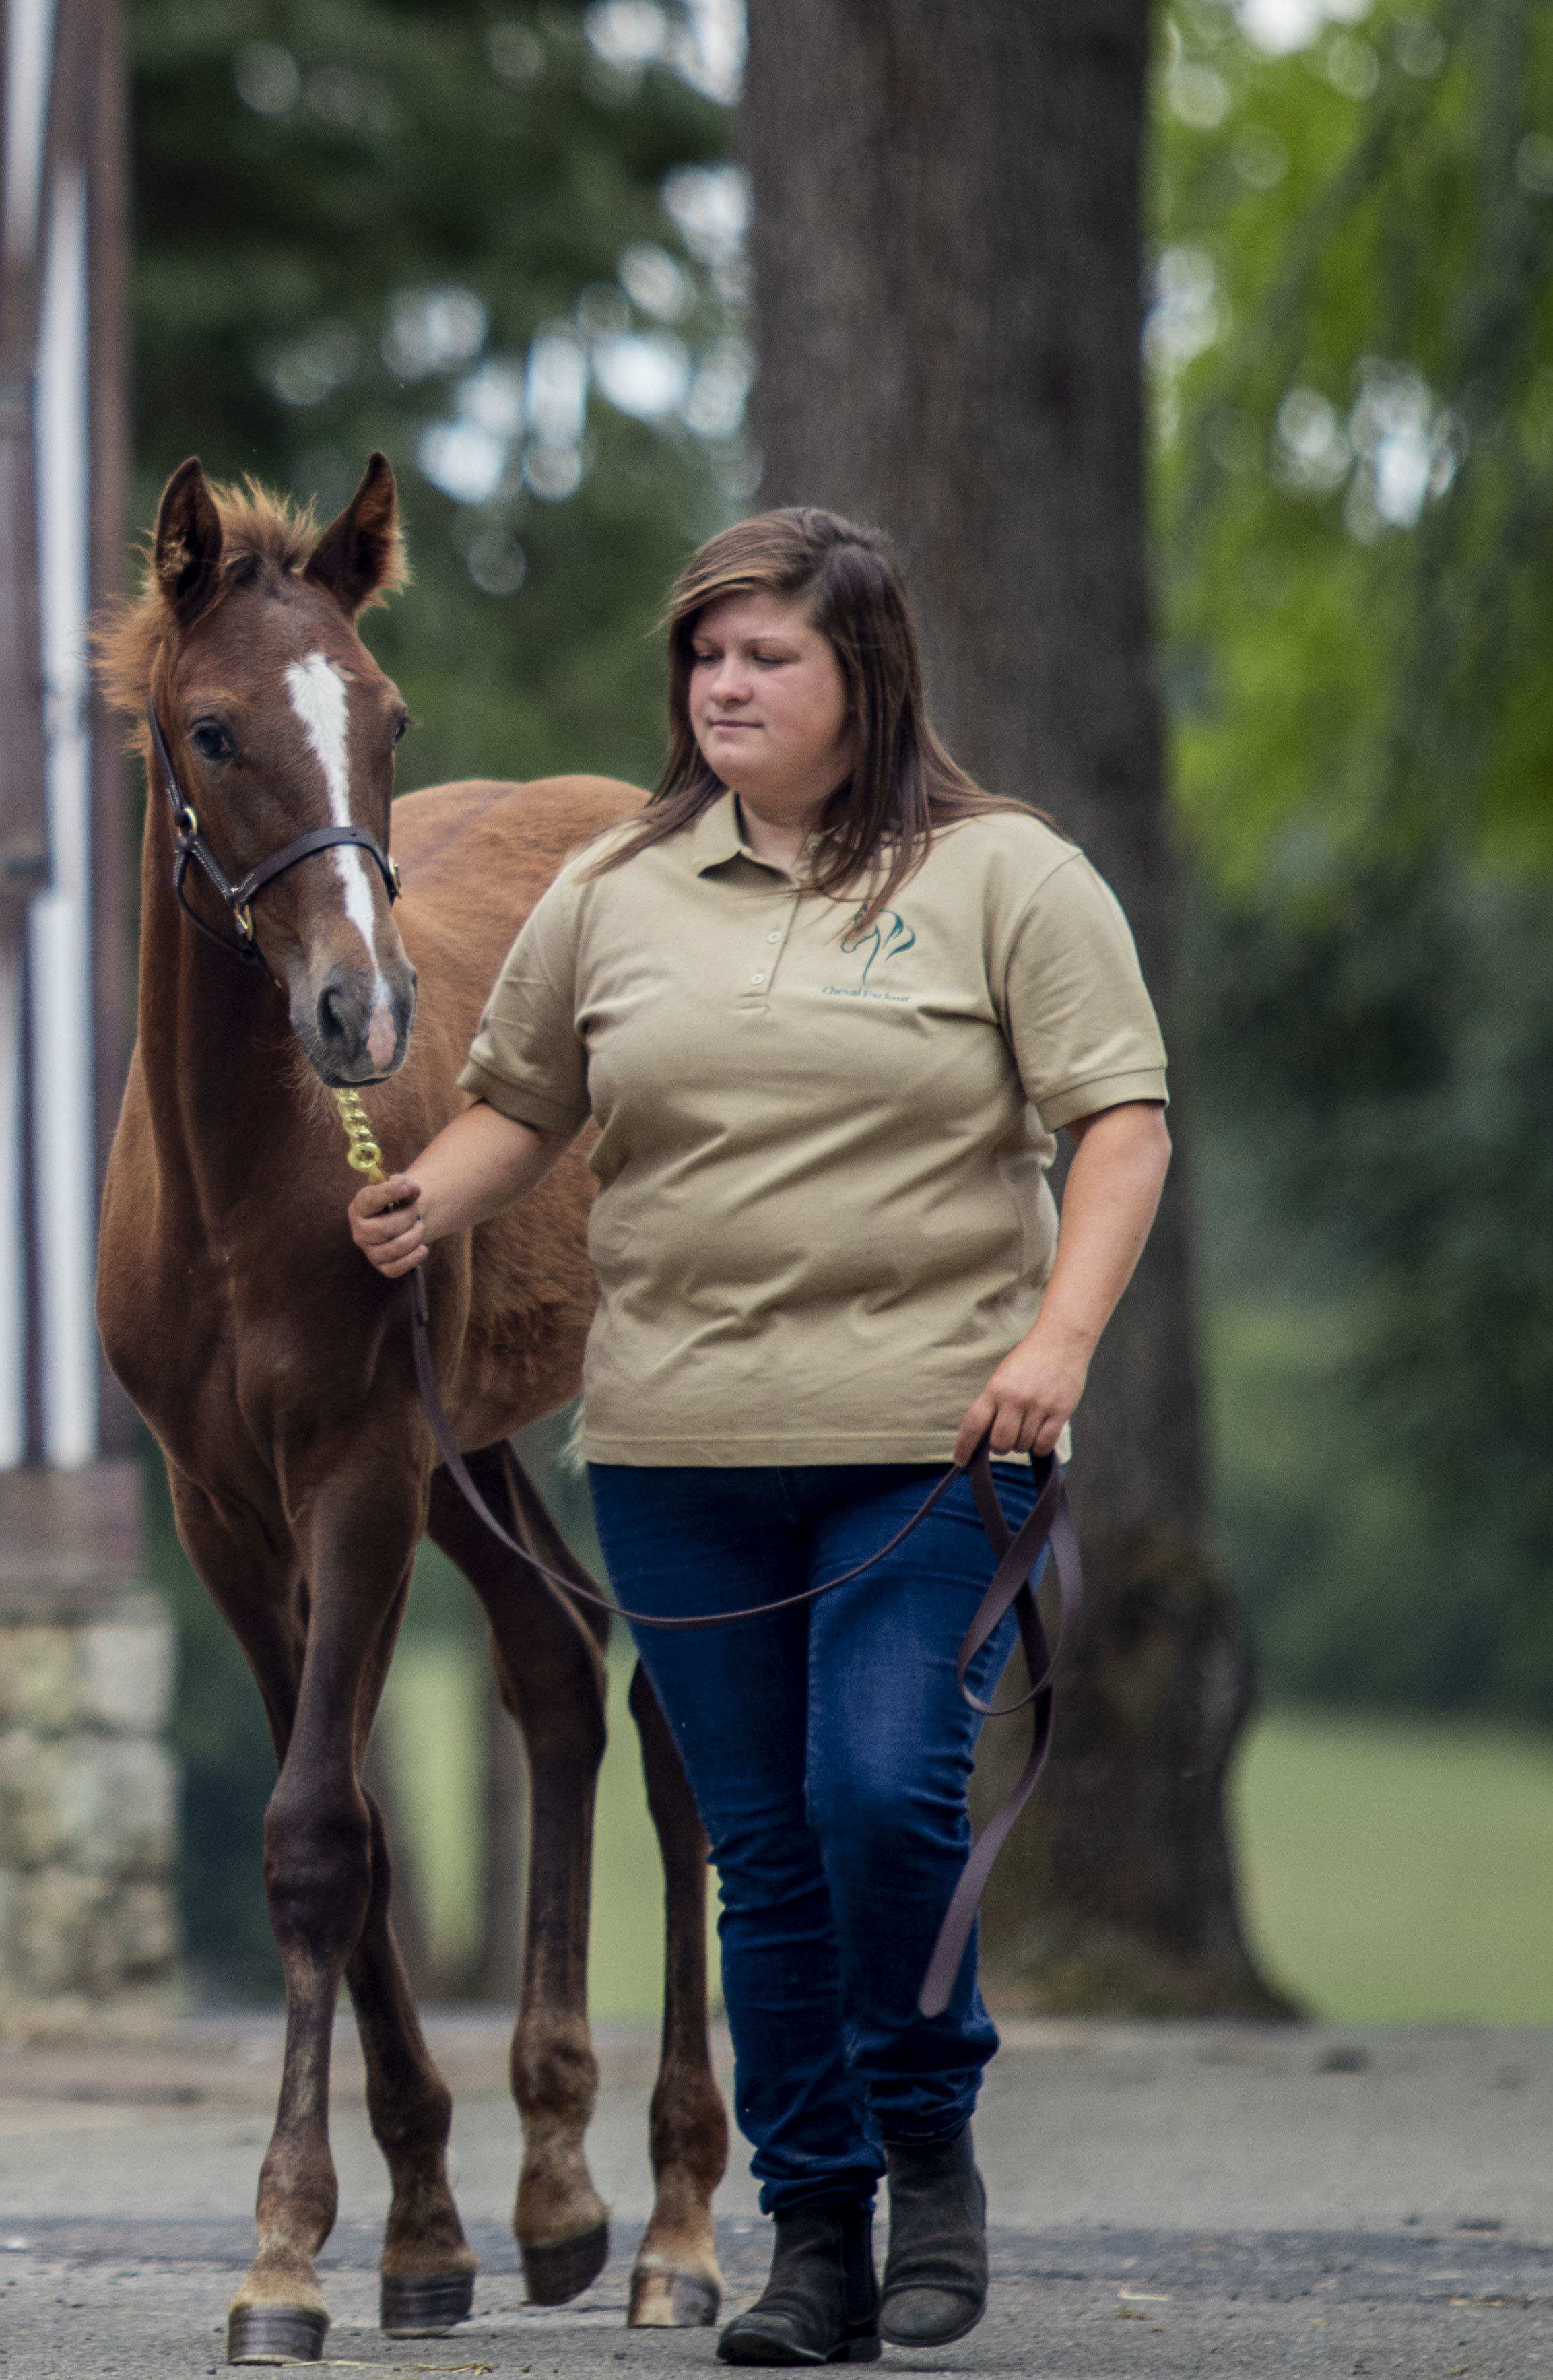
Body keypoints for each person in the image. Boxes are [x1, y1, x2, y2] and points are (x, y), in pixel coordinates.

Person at [350, 508, 1171, 2366]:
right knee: (766, 1857)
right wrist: (419, 1202)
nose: (721, 686)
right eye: (703, 657)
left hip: (936, 1445)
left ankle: (928, 2152)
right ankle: (813, 2237)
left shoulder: (1008, 877)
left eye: (763, 657)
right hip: (675, 1460)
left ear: (861, 676)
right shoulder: (617, 889)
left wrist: (1060, 1341)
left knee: (881, 1797)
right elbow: (521, 1105)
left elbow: (1121, 1126)